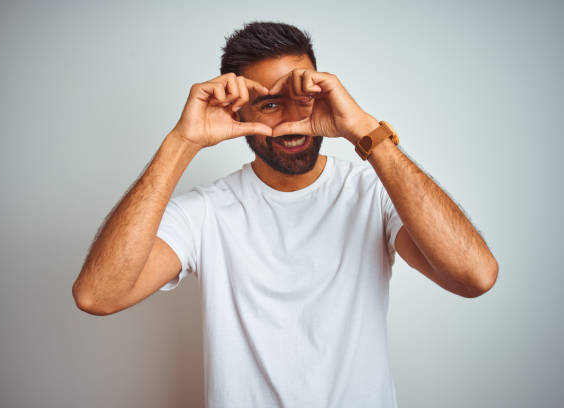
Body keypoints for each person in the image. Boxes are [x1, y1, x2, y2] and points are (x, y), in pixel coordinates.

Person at [72, 21, 498, 408]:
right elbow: (98, 296)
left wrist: (366, 132)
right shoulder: (207, 212)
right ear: (238, 113)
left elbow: (475, 276)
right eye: (271, 105)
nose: (293, 123)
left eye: (303, 99)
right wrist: (182, 142)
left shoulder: (374, 192)